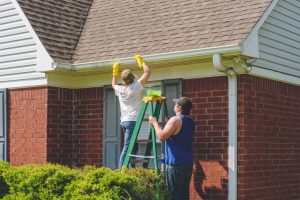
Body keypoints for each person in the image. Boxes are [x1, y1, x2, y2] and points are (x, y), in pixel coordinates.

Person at [149, 97, 195, 200]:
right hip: (187, 163)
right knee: (184, 195)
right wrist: (169, 123)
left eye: (175, 104)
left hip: (176, 164)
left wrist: (154, 123)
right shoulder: (190, 121)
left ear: (179, 107)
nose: (174, 106)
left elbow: (161, 136)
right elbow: (179, 133)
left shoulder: (175, 120)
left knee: (174, 196)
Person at [112, 55, 151, 168]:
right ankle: (121, 171)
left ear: (123, 80)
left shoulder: (120, 89)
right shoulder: (135, 87)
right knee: (128, 146)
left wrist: (115, 71)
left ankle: (131, 169)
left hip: (124, 122)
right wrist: (141, 62)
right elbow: (147, 72)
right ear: (133, 77)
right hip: (132, 121)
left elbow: (113, 84)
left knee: (134, 146)